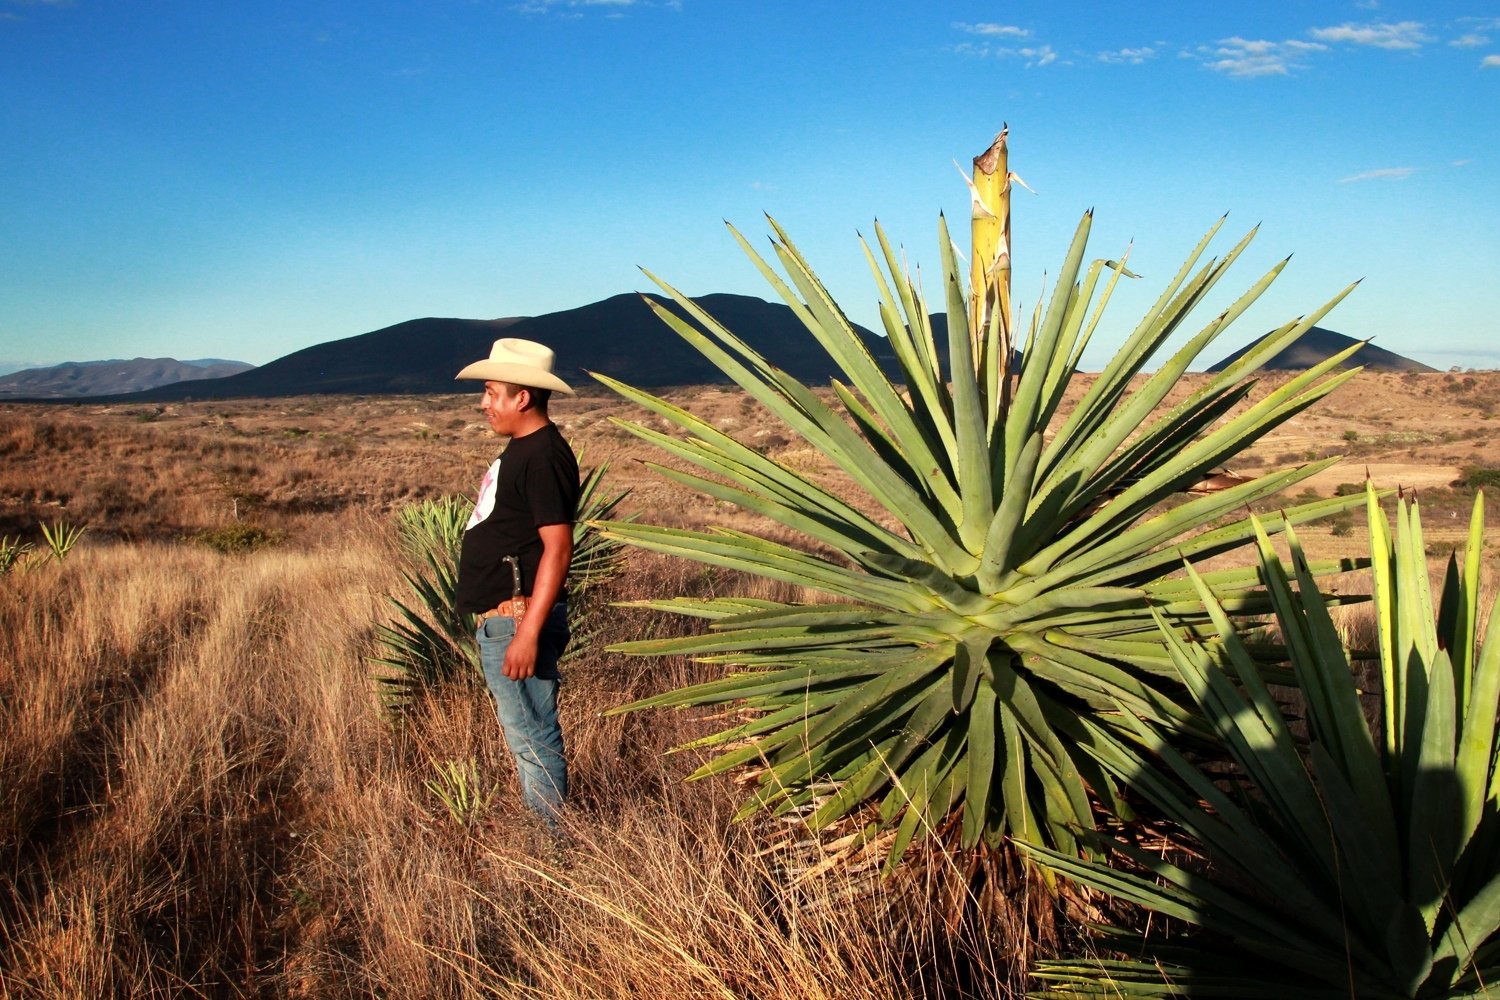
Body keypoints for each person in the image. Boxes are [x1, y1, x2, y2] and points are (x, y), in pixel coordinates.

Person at [454, 338, 579, 826]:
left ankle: (553, 852)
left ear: (521, 397)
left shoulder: (542, 455)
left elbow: (558, 547)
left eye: (491, 392)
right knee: (526, 736)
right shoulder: (525, 449)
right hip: (508, 619)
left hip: (517, 619)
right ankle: (548, 840)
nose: (484, 404)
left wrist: (527, 633)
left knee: (533, 737)